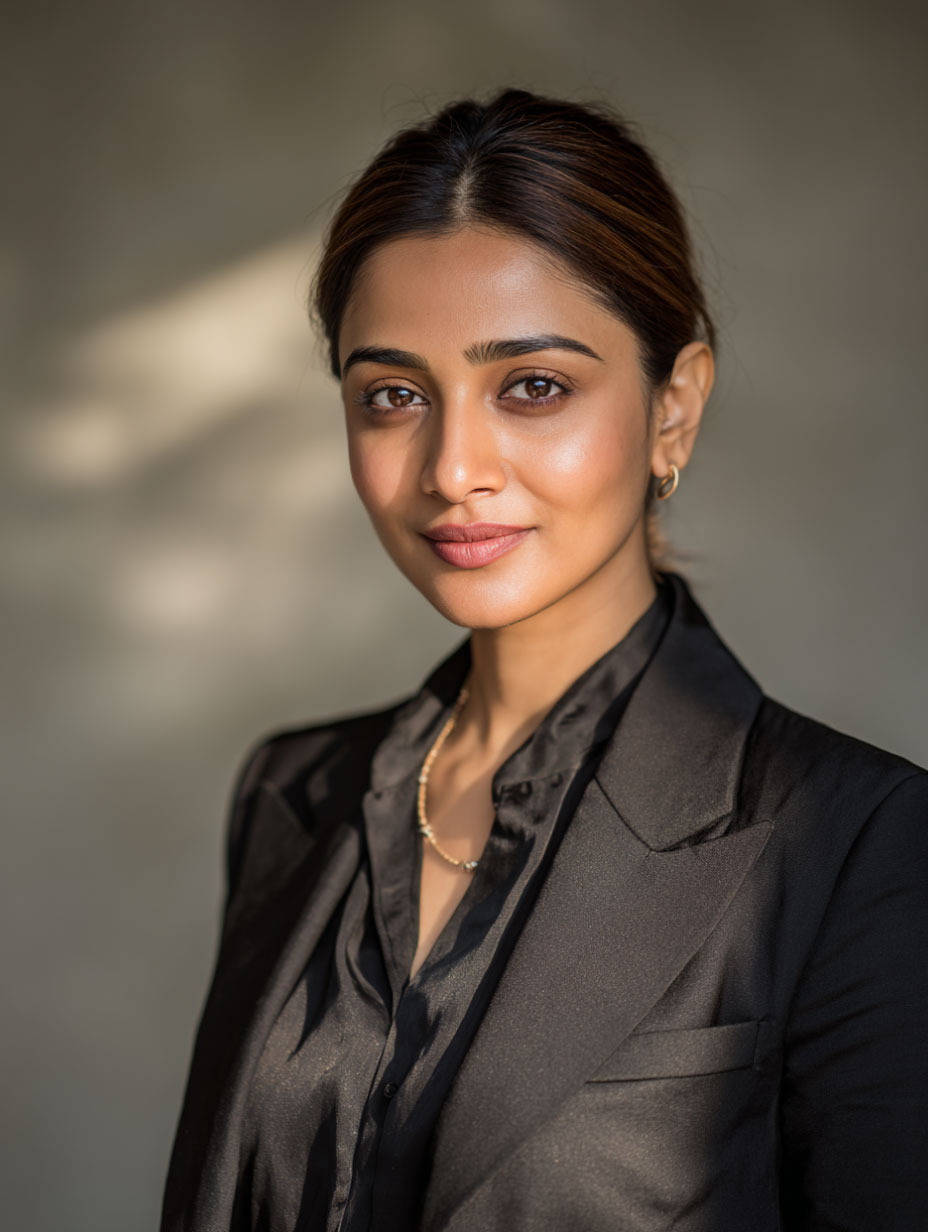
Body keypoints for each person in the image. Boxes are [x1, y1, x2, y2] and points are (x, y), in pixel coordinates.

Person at [160, 89, 928, 1232]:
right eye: (392, 395)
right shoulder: (288, 791)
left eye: (532, 386)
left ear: (674, 408)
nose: (453, 465)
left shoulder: (853, 836)